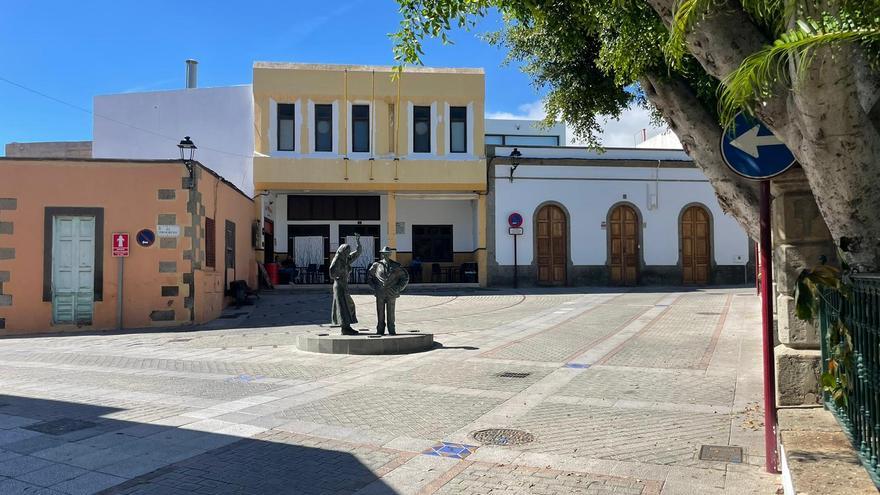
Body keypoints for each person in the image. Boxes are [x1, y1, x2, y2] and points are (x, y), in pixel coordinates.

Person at [367, 246, 410, 335]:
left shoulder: (396, 266)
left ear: (390, 254)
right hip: (380, 292)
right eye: (384, 253)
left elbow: (405, 278)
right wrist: (375, 287)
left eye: (387, 253)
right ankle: (380, 329)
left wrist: (398, 288)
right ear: (382, 254)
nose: (385, 255)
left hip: (391, 292)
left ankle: (391, 329)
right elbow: (369, 277)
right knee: (380, 312)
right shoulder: (376, 265)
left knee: (391, 313)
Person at [329, 233, 361, 335]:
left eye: (349, 251)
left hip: (344, 285)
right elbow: (331, 271)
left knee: (349, 305)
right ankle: (345, 328)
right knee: (342, 306)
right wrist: (337, 277)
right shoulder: (337, 260)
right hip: (339, 286)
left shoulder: (346, 259)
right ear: (342, 251)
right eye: (347, 251)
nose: (348, 252)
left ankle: (347, 326)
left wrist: (358, 241)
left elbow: (358, 252)